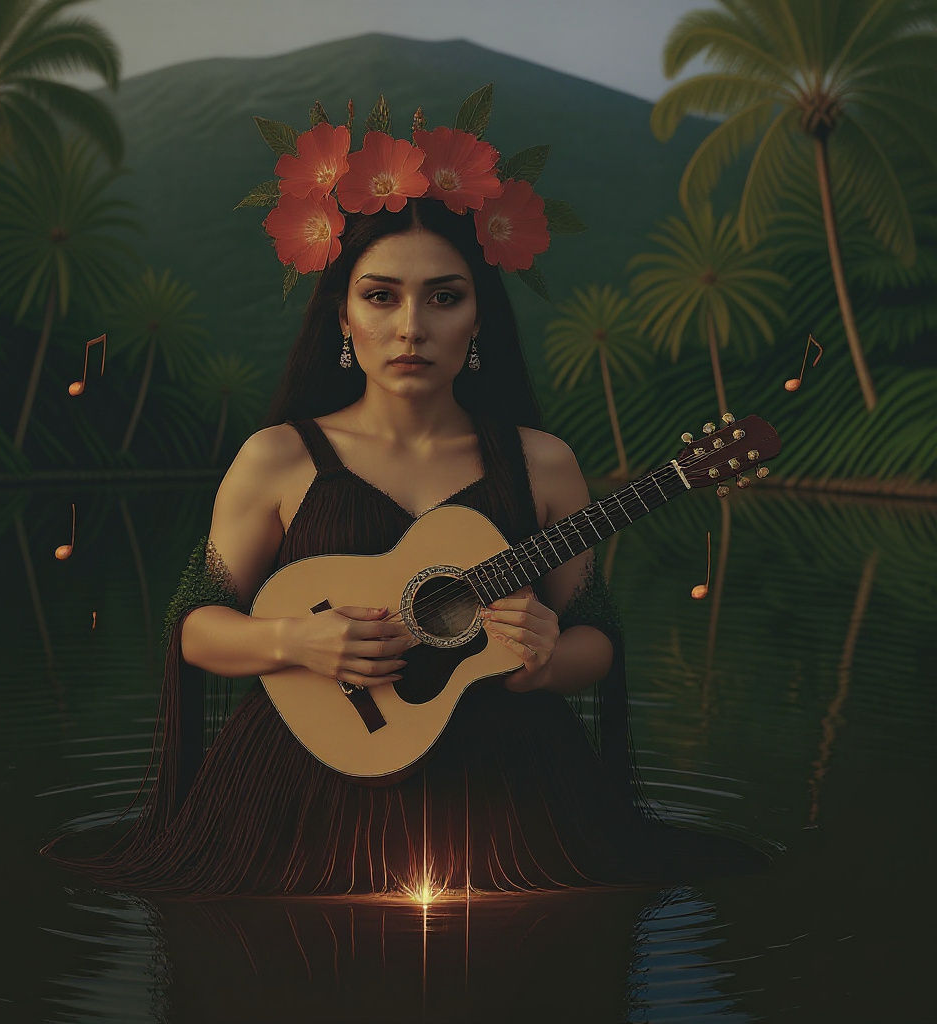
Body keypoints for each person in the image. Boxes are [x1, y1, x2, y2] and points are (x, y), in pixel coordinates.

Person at [42, 92, 771, 896]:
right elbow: (196, 627)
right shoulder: (278, 458)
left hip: (512, 792)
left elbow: (595, 638)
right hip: (305, 788)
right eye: (381, 296)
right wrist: (296, 641)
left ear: (479, 320)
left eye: (445, 297)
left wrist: (545, 659)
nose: (411, 327)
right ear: (342, 317)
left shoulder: (543, 463)